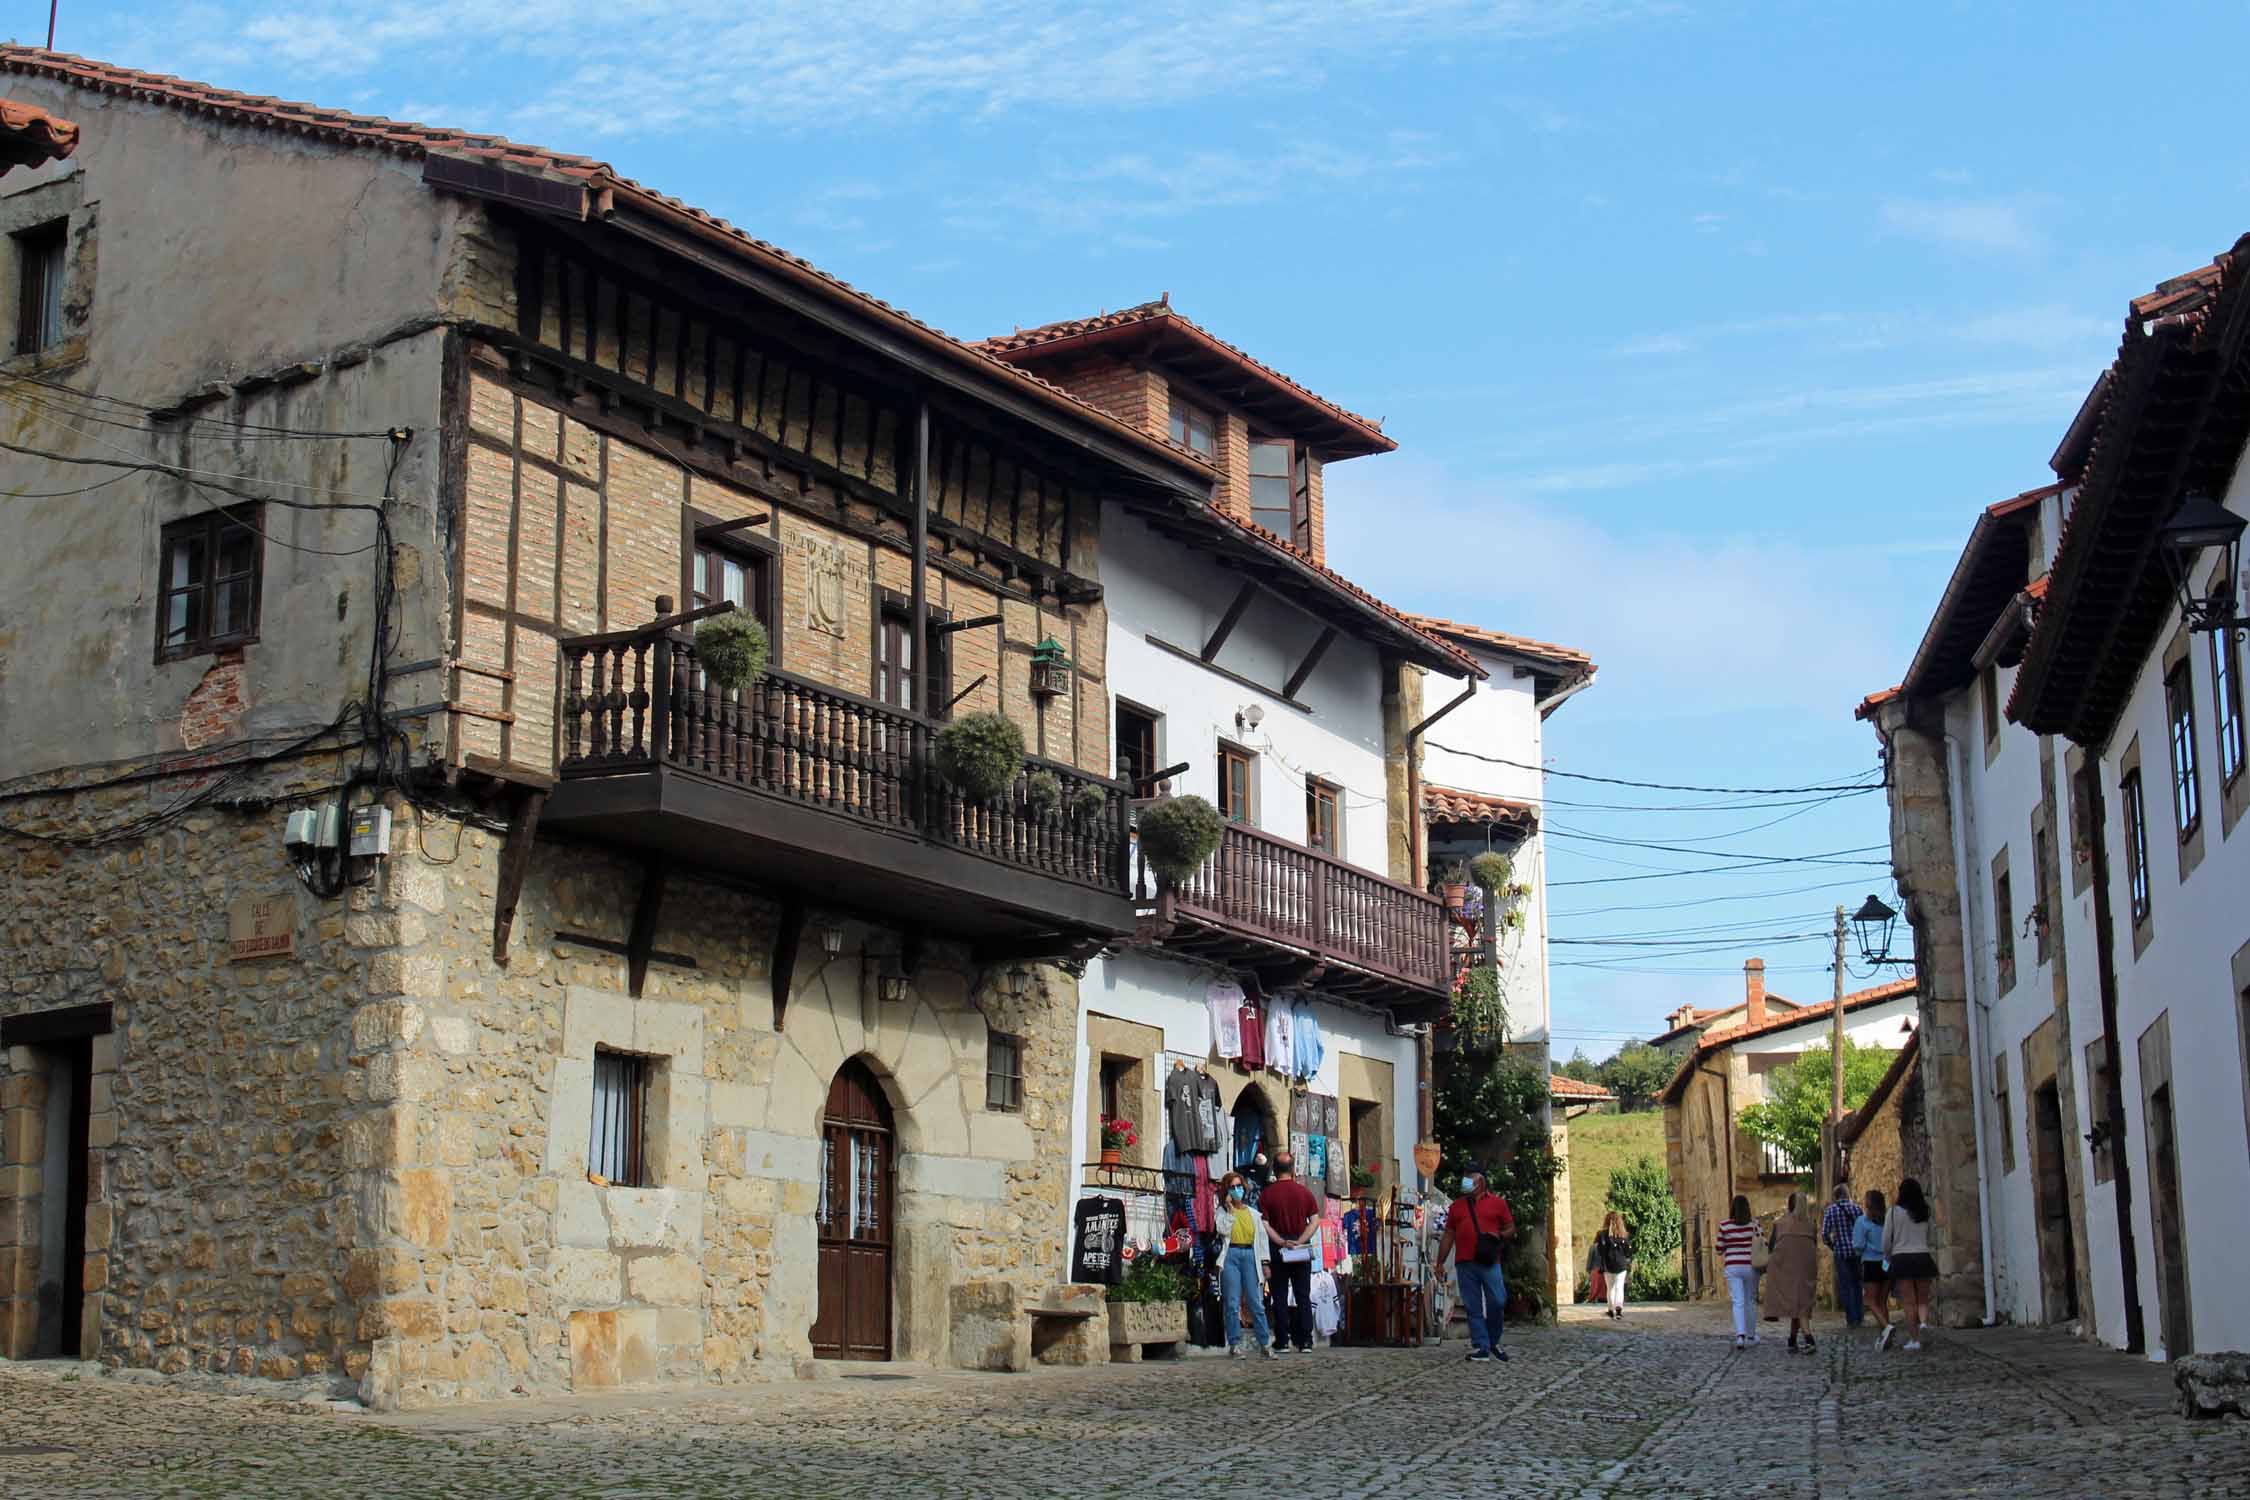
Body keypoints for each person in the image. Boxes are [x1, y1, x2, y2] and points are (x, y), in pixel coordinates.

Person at [1434, 1162, 1515, 1363]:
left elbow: (1511, 1228)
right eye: (1465, 1175)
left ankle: (1494, 1340)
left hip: (1489, 1260)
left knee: (1497, 1300)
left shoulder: (1498, 1203)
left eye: (1470, 1176)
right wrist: (1440, 1262)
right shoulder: (1457, 1207)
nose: (1466, 1180)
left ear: (1481, 1181)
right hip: (1465, 1262)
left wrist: (1498, 1235)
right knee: (1473, 1305)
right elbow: (1448, 1235)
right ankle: (1481, 1346)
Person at [1258, 1152, 1321, 1354]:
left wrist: (1281, 1241)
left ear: (1275, 1170)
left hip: (1278, 1248)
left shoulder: (1267, 1194)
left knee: (1280, 1295)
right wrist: (1300, 1241)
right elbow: (1315, 1221)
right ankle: (1306, 1341)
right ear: (1293, 1169)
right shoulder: (1304, 1193)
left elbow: (1264, 1224)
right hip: (1300, 1248)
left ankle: (1283, 1340)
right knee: (1303, 1295)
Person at [1215, 1172, 1277, 1359]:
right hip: (1231, 1255)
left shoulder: (1254, 1214)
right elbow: (1223, 1229)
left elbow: (1262, 1241)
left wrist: (1265, 1263)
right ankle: (1234, 1344)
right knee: (1232, 1303)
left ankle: (1265, 1343)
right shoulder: (1222, 1212)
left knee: (1255, 1301)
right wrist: (1229, 1209)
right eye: (1232, 1187)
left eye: (1238, 1186)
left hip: (1250, 1255)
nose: (1236, 1190)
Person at [1884, 1177, 1939, 1352]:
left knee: (1909, 1302)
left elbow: (1886, 1239)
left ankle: (1915, 1339)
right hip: (1922, 1256)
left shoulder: (1893, 1212)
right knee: (1923, 1299)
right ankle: (1923, 1323)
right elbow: (1930, 1236)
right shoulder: (1924, 1212)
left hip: (1902, 1258)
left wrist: (1887, 1256)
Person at [1764, 1192, 1819, 1353]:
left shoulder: (1781, 1224)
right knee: (1800, 1302)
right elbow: (1813, 1244)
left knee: (1798, 1304)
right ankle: (1792, 1339)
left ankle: (1809, 1339)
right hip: (1806, 1269)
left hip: (1786, 1269)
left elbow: (1772, 1247)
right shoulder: (1811, 1225)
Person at [1716, 1195, 1761, 1350]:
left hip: (1733, 1267)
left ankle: (1740, 1336)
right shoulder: (1754, 1224)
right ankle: (1751, 1335)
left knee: (1738, 1301)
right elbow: (1763, 1243)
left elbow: (1718, 1249)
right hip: (1751, 1267)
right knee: (1750, 1301)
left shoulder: (1725, 1226)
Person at [1820, 1182, 1866, 1330]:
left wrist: (1834, 1246)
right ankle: (1859, 1316)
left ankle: (1851, 1319)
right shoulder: (1857, 1209)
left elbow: (1825, 1234)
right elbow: (1863, 1229)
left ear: (1835, 1196)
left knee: (1846, 1286)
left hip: (1841, 1253)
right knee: (1857, 1283)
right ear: (1847, 1194)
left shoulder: (1830, 1211)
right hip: (1857, 1253)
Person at [1854, 1188, 1891, 1343]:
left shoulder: (1862, 1222)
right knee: (1882, 1300)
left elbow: (1858, 1245)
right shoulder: (1888, 1219)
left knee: (1869, 1300)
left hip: (1871, 1263)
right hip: (1887, 1263)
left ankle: (1887, 1327)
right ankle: (1885, 1336)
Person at [1594, 1211, 1634, 1319]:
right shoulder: (1624, 1235)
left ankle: (1611, 1310)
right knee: (1619, 1287)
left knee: (1610, 1288)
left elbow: (1598, 1249)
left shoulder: (1601, 1234)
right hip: (1621, 1265)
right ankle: (1619, 1310)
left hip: (1607, 1264)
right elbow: (1628, 1252)